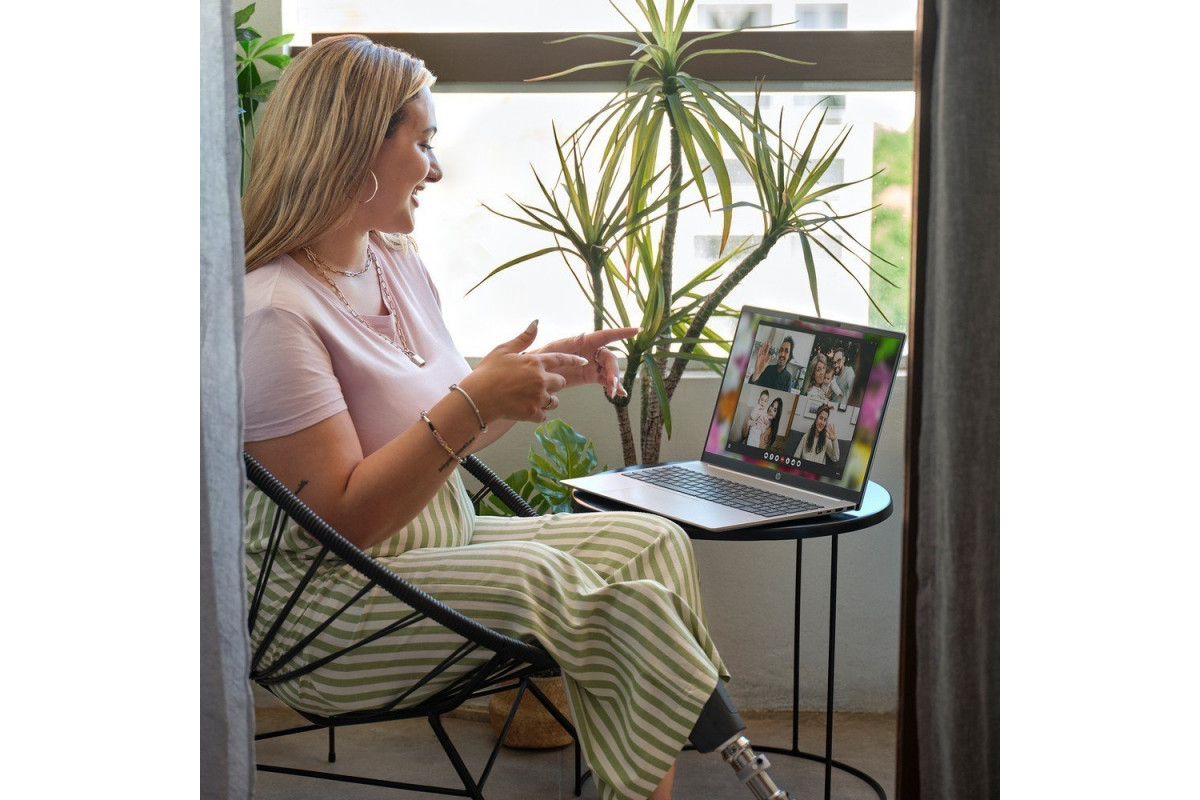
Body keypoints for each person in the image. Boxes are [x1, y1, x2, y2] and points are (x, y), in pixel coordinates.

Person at [239, 35, 790, 800]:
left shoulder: (393, 261)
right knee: (554, 580)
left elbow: (441, 435)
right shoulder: (274, 309)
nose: (436, 169)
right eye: (423, 143)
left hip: (437, 547)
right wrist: (474, 400)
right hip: (333, 603)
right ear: (358, 145)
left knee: (651, 541)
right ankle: (724, 767)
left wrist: (531, 377)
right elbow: (343, 519)